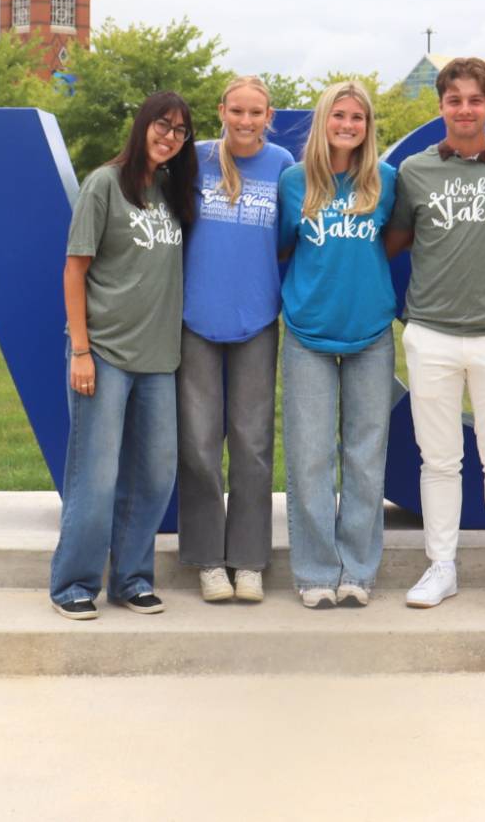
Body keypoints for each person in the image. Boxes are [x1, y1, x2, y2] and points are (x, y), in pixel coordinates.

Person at [383, 56, 485, 610]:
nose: (465, 110)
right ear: (441, 107)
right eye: (454, 100)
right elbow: (394, 242)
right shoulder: (414, 171)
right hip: (431, 334)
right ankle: (441, 566)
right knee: (439, 460)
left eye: (475, 100)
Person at [48, 91, 199, 620]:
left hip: (158, 359)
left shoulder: (167, 191)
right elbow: (74, 270)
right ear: (142, 126)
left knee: (156, 474)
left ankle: (131, 579)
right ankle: (74, 584)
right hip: (104, 352)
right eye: (163, 125)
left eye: (181, 131)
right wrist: (81, 351)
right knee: (96, 474)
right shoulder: (104, 184)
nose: (171, 137)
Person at [277, 80, 399, 608]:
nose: (348, 125)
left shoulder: (386, 183)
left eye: (358, 118)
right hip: (307, 335)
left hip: (371, 333)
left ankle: (358, 569)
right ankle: (314, 571)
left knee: (366, 456)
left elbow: (394, 243)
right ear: (324, 120)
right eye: (339, 116)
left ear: (368, 127)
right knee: (309, 457)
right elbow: (284, 247)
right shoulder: (292, 183)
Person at [177, 75, 294, 604]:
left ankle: (248, 560)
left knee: (252, 443)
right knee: (199, 443)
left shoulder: (283, 166)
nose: (246, 122)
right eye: (237, 111)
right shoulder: (193, 160)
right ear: (221, 110)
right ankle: (207, 559)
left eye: (257, 113)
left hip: (256, 321)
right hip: (194, 319)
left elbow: (291, 240)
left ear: (269, 116)